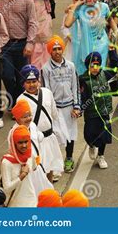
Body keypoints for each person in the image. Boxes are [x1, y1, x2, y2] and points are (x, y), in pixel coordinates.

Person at [0, 0, 38, 108]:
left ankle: (20, 104)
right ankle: (14, 103)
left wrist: (30, 43)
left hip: (22, 43)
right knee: (7, 76)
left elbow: (33, 22)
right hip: (4, 46)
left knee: (23, 77)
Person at [17, 64, 64, 182]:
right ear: (23, 83)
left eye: (34, 81)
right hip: (35, 141)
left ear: (39, 81)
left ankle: (50, 191)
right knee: (39, 169)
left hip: (50, 137)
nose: (31, 85)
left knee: (51, 166)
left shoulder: (47, 92)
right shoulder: (21, 100)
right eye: (28, 82)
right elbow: (21, 123)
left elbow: (54, 112)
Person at [41, 35, 81, 173]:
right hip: (56, 109)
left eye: (59, 48)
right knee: (57, 136)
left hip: (69, 107)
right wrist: (50, 111)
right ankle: (56, 164)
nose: (57, 52)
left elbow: (75, 87)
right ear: (50, 51)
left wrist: (77, 106)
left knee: (70, 134)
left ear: (63, 49)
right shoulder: (46, 69)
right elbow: (46, 91)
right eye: (54, 49)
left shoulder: (71, 66)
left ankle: (69, 158)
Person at [64, 0, 116, 75]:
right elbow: (67, 24)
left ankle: (98, 87)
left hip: (101, 44)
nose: (92, 1)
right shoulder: (80, 10)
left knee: (99, 70)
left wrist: (116, 31)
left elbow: (110, 19)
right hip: (86, 46)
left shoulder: (103, 7)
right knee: (85, 71)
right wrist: (75, 5)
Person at [79, 52, 118, 170]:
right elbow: (81, 96)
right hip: (91, 113)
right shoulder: (83, 79)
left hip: (104, 112)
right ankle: (91, 145)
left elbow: (116, 67)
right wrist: (80, 108)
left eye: (97, 65)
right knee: (89, 134)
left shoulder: (105, 74)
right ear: (88, 66)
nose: (95, 68)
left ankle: (101, 156)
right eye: (92, 65)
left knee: (104, 136)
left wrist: (112, 53)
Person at [1, 125, 37, 207]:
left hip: (31, 200)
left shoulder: (30, 155)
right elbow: (6, 188)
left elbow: (34, 167)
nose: (24, 145)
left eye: (26, 142)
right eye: (20, 142)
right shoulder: (6, 162)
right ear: (14, 143)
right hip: (15, 204)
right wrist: (22, 176)